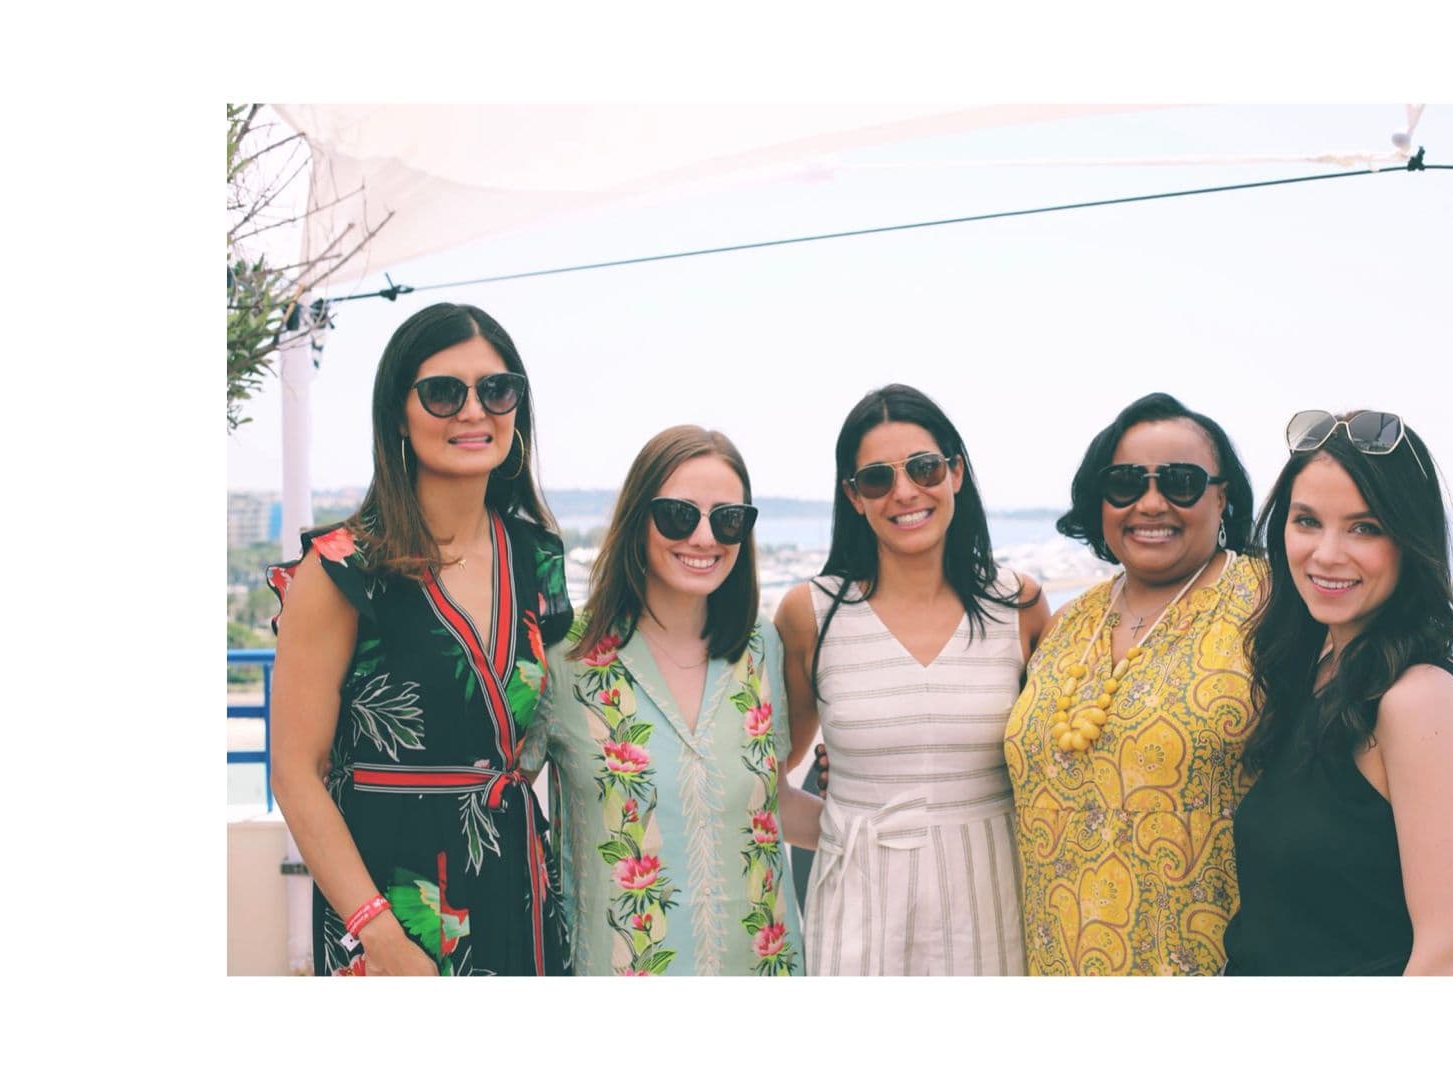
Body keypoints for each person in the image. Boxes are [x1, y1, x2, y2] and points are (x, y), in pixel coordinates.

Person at [266, 302, 572, 976]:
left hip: (516, 888)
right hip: (387, 907)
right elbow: (294, 771)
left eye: (496, 390)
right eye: (442, 392)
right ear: (398, 414)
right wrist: (377, 933)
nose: (473, 411)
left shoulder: (537, 557)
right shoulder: (343, 570)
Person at [776, 384, 1048, 976]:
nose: (904, 493)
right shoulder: (809, 614)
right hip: (855, 908)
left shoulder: (1019, 604)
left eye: (923, 468)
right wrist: (844, 827)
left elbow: (1056, 767)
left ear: (955, 472)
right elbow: (764, 778)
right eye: (876, 478)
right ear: (853, 496)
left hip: (993, 902)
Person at [1222, 410, 1453, 976]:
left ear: (1409, 540)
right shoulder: (1316, 668)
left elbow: (1450, 955)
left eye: (1364, 527)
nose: (1326, 553)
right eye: (1306, 521)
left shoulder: (1417, 697)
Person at [1003, 392, 1265, 975]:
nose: (1151, 502)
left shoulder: (1272, 608)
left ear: (1223, 496)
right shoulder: (1070, 623)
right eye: (1125, 483)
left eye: (1180, 481)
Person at [538, 425, 816, 975]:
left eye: (729, 519)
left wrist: (900, 830)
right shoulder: (563, 655)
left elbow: (771, 804)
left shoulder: (762, 648)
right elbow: (497, 803)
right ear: (638, 519)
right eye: (678, 516)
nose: (704, 539)